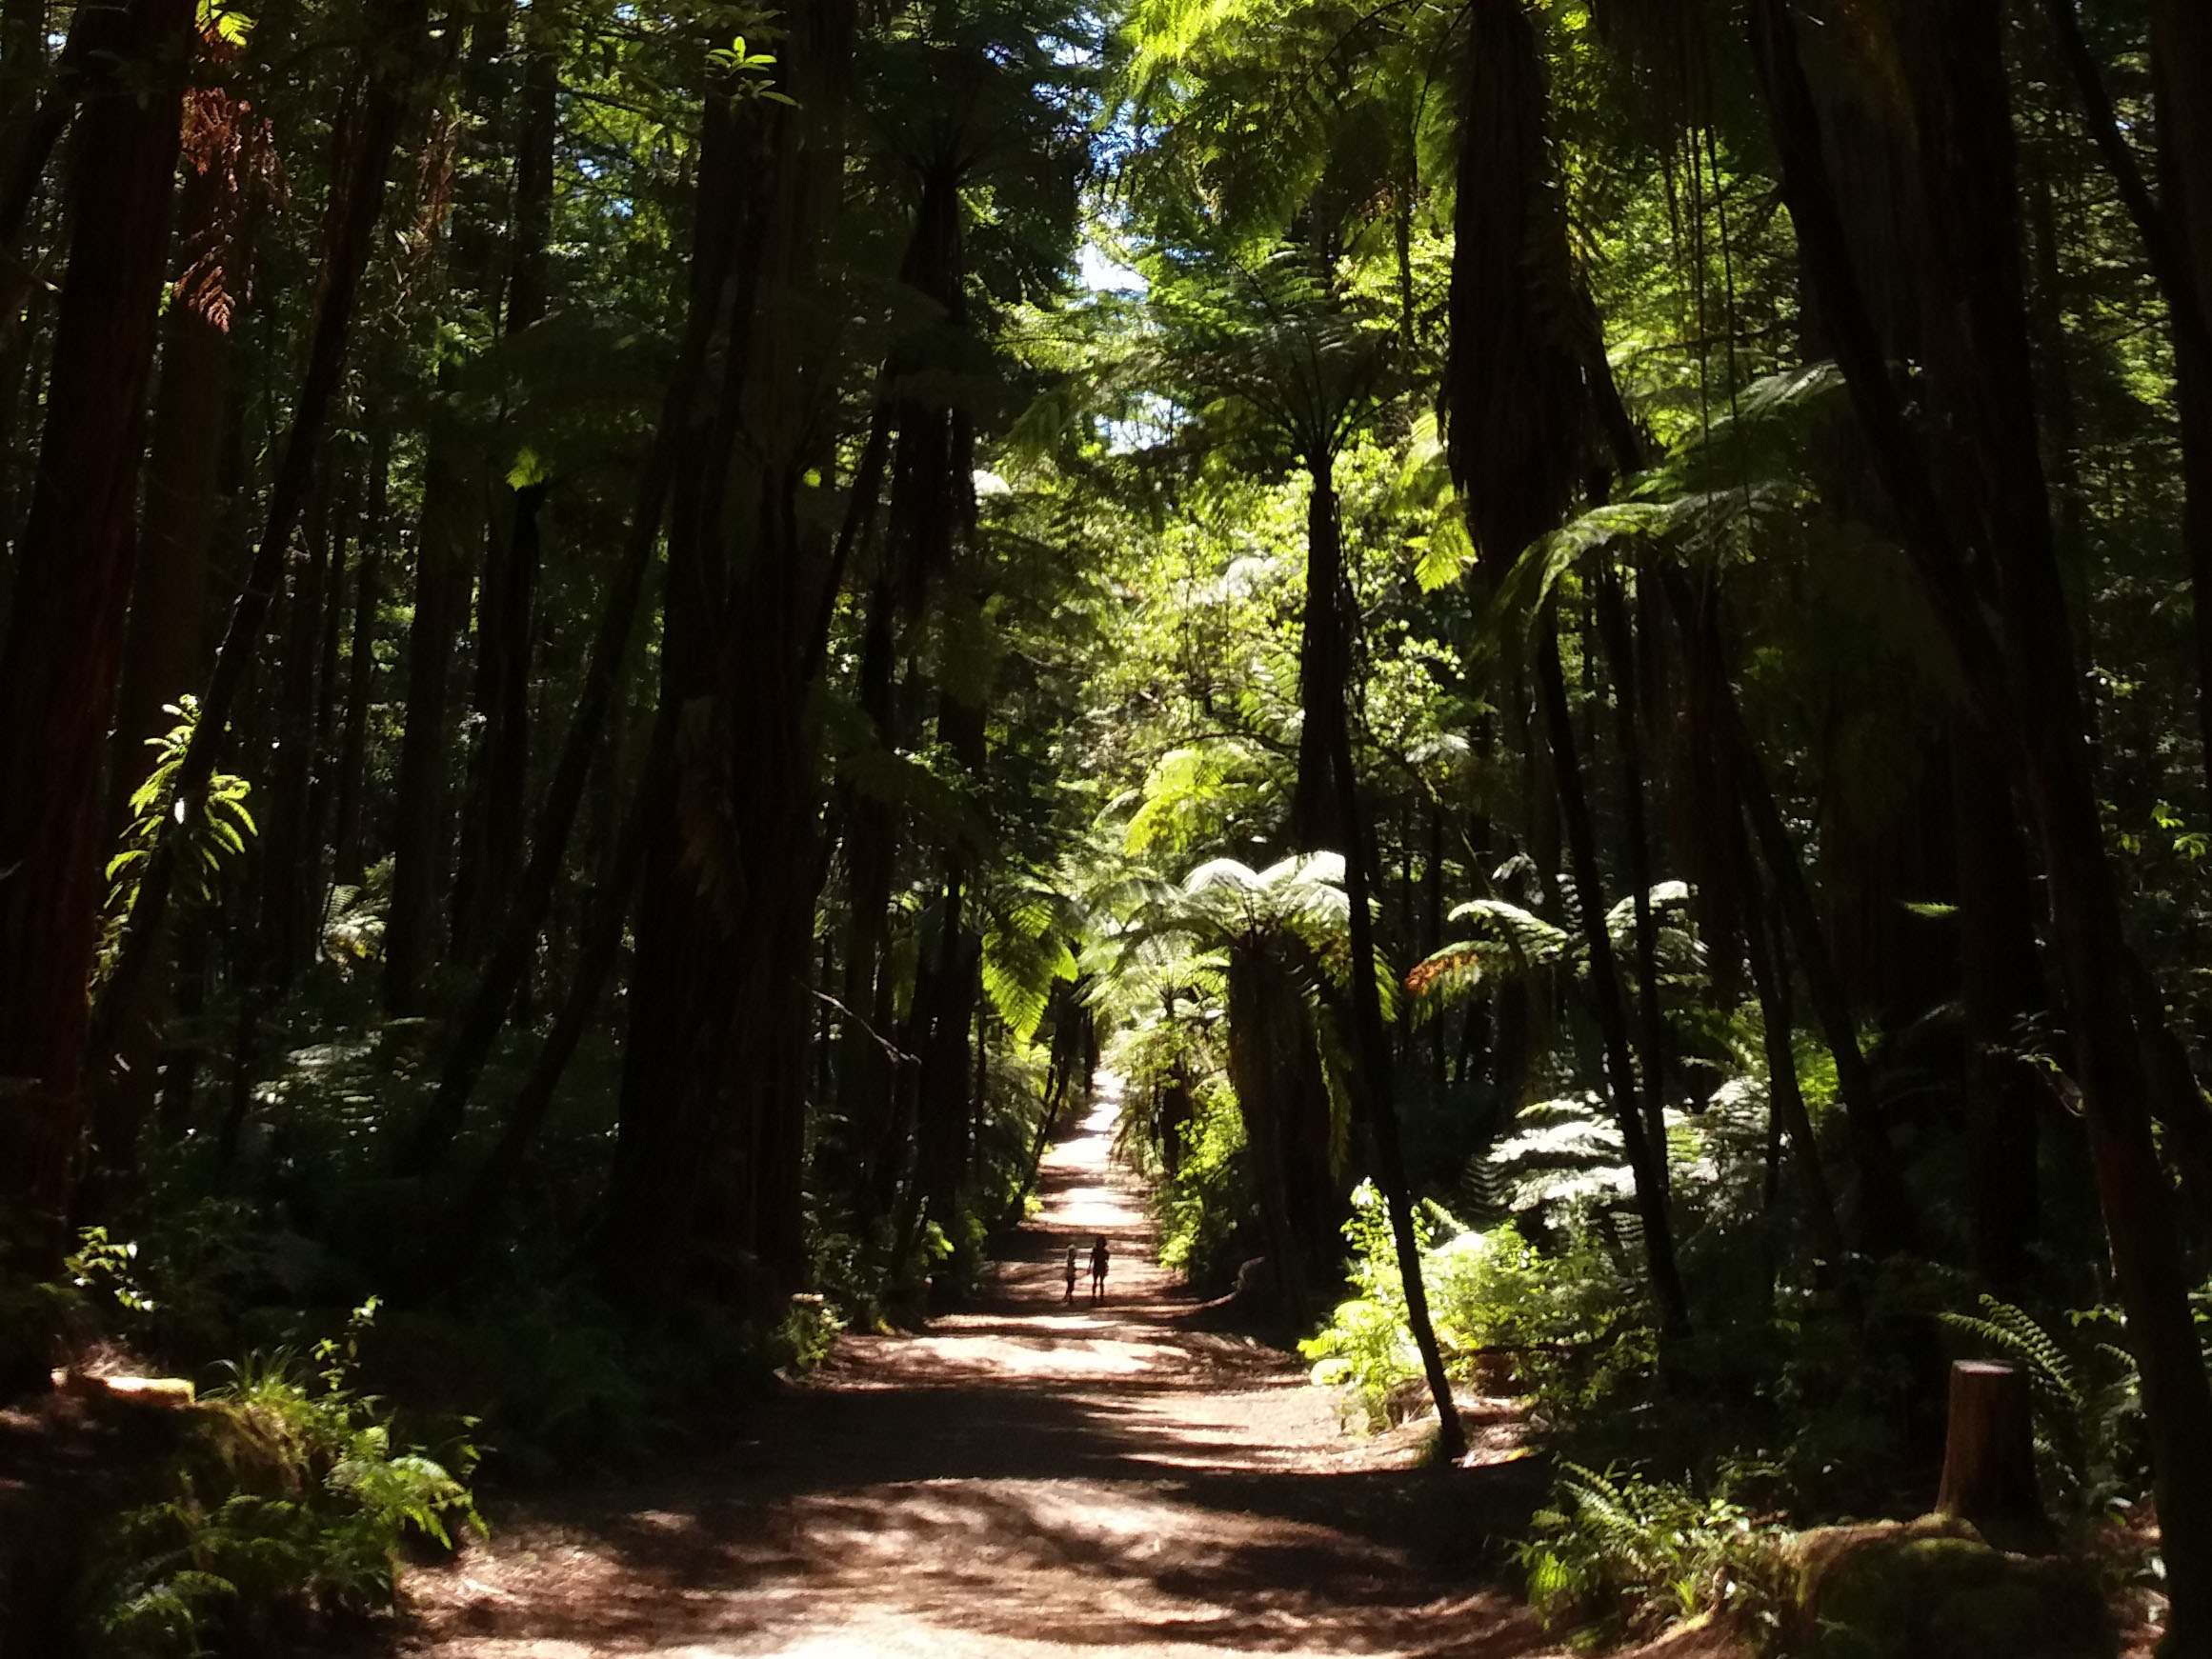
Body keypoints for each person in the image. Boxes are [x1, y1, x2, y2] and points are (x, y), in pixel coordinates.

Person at [1090, 1234, 1110, 1300]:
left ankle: (1101, 1294)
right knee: (1095, 1282)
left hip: (1102, 1267)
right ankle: (1094, 1294)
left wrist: (1107, 1268)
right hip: (1096, 1267)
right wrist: (1089, 1266)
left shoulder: (1104, 1251)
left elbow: (1107, 1261)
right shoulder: (1096, 1250)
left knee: (1101, 1282)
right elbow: (1091, 1258)